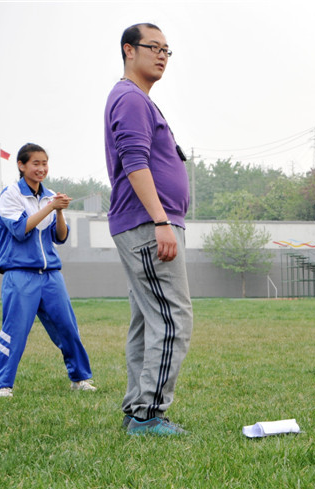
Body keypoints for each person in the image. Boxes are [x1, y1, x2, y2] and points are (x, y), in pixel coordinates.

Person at [105, 23, 193, 435]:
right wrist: (161, 220)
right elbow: (135, 163)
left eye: (166, 50)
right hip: (146, 224)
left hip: (145, 224)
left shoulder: (138, 100)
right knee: (172, 317)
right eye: (152, 47)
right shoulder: (129, 98)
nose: (161, 56)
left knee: (147, 318)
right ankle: (148, 413)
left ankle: (137, 409)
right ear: (129, 50)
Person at [0, 143, 95, 398]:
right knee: (14, 331)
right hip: (20, 274)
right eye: (35, 163)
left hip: (50, 275)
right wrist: (50, 207)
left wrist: (58, 210)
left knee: (68, 327)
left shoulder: (49, 196)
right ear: (21, 165)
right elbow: (20, 230)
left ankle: (80, 379)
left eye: (45, 163)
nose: (41, 168)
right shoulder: (11, 195)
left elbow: (60, 237)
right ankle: (1, 385)